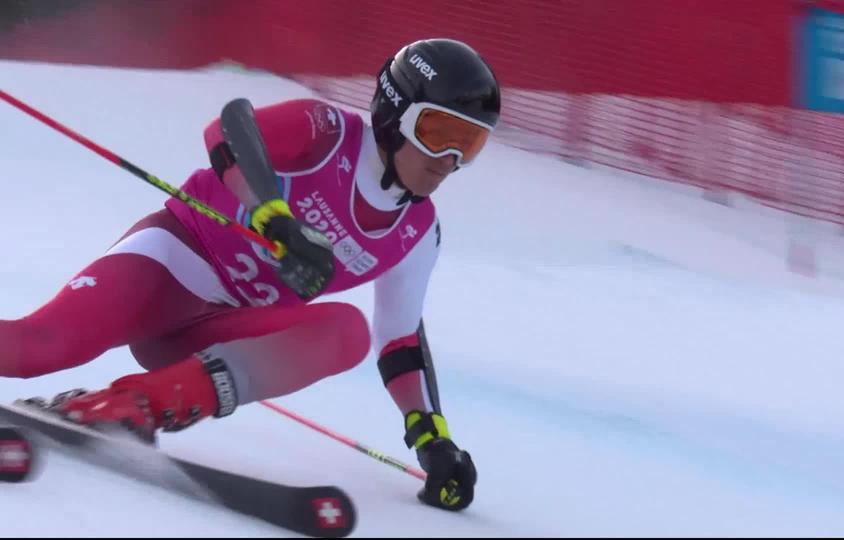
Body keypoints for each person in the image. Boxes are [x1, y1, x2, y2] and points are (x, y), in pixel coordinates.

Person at [0, 37, 500, 511]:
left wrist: (431, 437)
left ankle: (134, 406)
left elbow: (399, 340)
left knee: (346, 331)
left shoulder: (418, 232)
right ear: (395, 115)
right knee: (39, 347)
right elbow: (228, 129)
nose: (449, 161)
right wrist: (275, 217)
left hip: (212, 334)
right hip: (169, 265)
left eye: (469, 144)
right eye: (439, 134)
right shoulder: (327, 132)